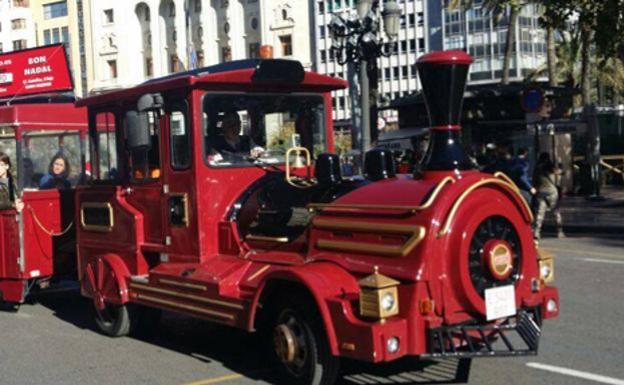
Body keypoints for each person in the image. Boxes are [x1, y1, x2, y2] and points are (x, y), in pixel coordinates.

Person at [532, 152, 564, 240]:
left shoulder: (537, 169)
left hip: (540, 191)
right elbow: (560, 173)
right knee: (556, 211)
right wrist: (561, 165)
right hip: (552, 191)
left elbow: (534, 181)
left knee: (539, 213)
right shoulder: (550, 168)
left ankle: (536, 232)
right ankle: (559, 231)